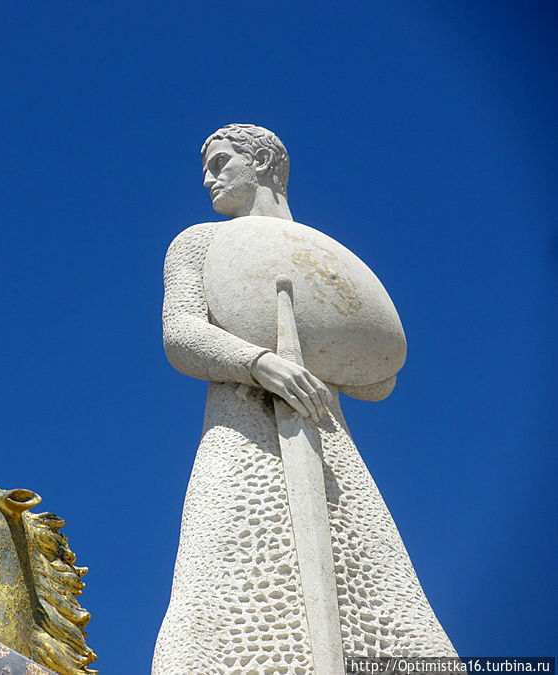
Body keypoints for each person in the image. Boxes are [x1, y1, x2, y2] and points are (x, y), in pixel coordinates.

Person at [152, 124, 456, 674]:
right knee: (223, 574)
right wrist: (258, 363)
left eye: (221, 163)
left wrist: (334, 344)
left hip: (326, 437)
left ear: (263, 160)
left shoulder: (321, 257)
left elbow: (375, 380)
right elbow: (181, 333)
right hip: (244, 432)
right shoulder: (198, 242)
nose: (207, 179)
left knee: (375, 587)